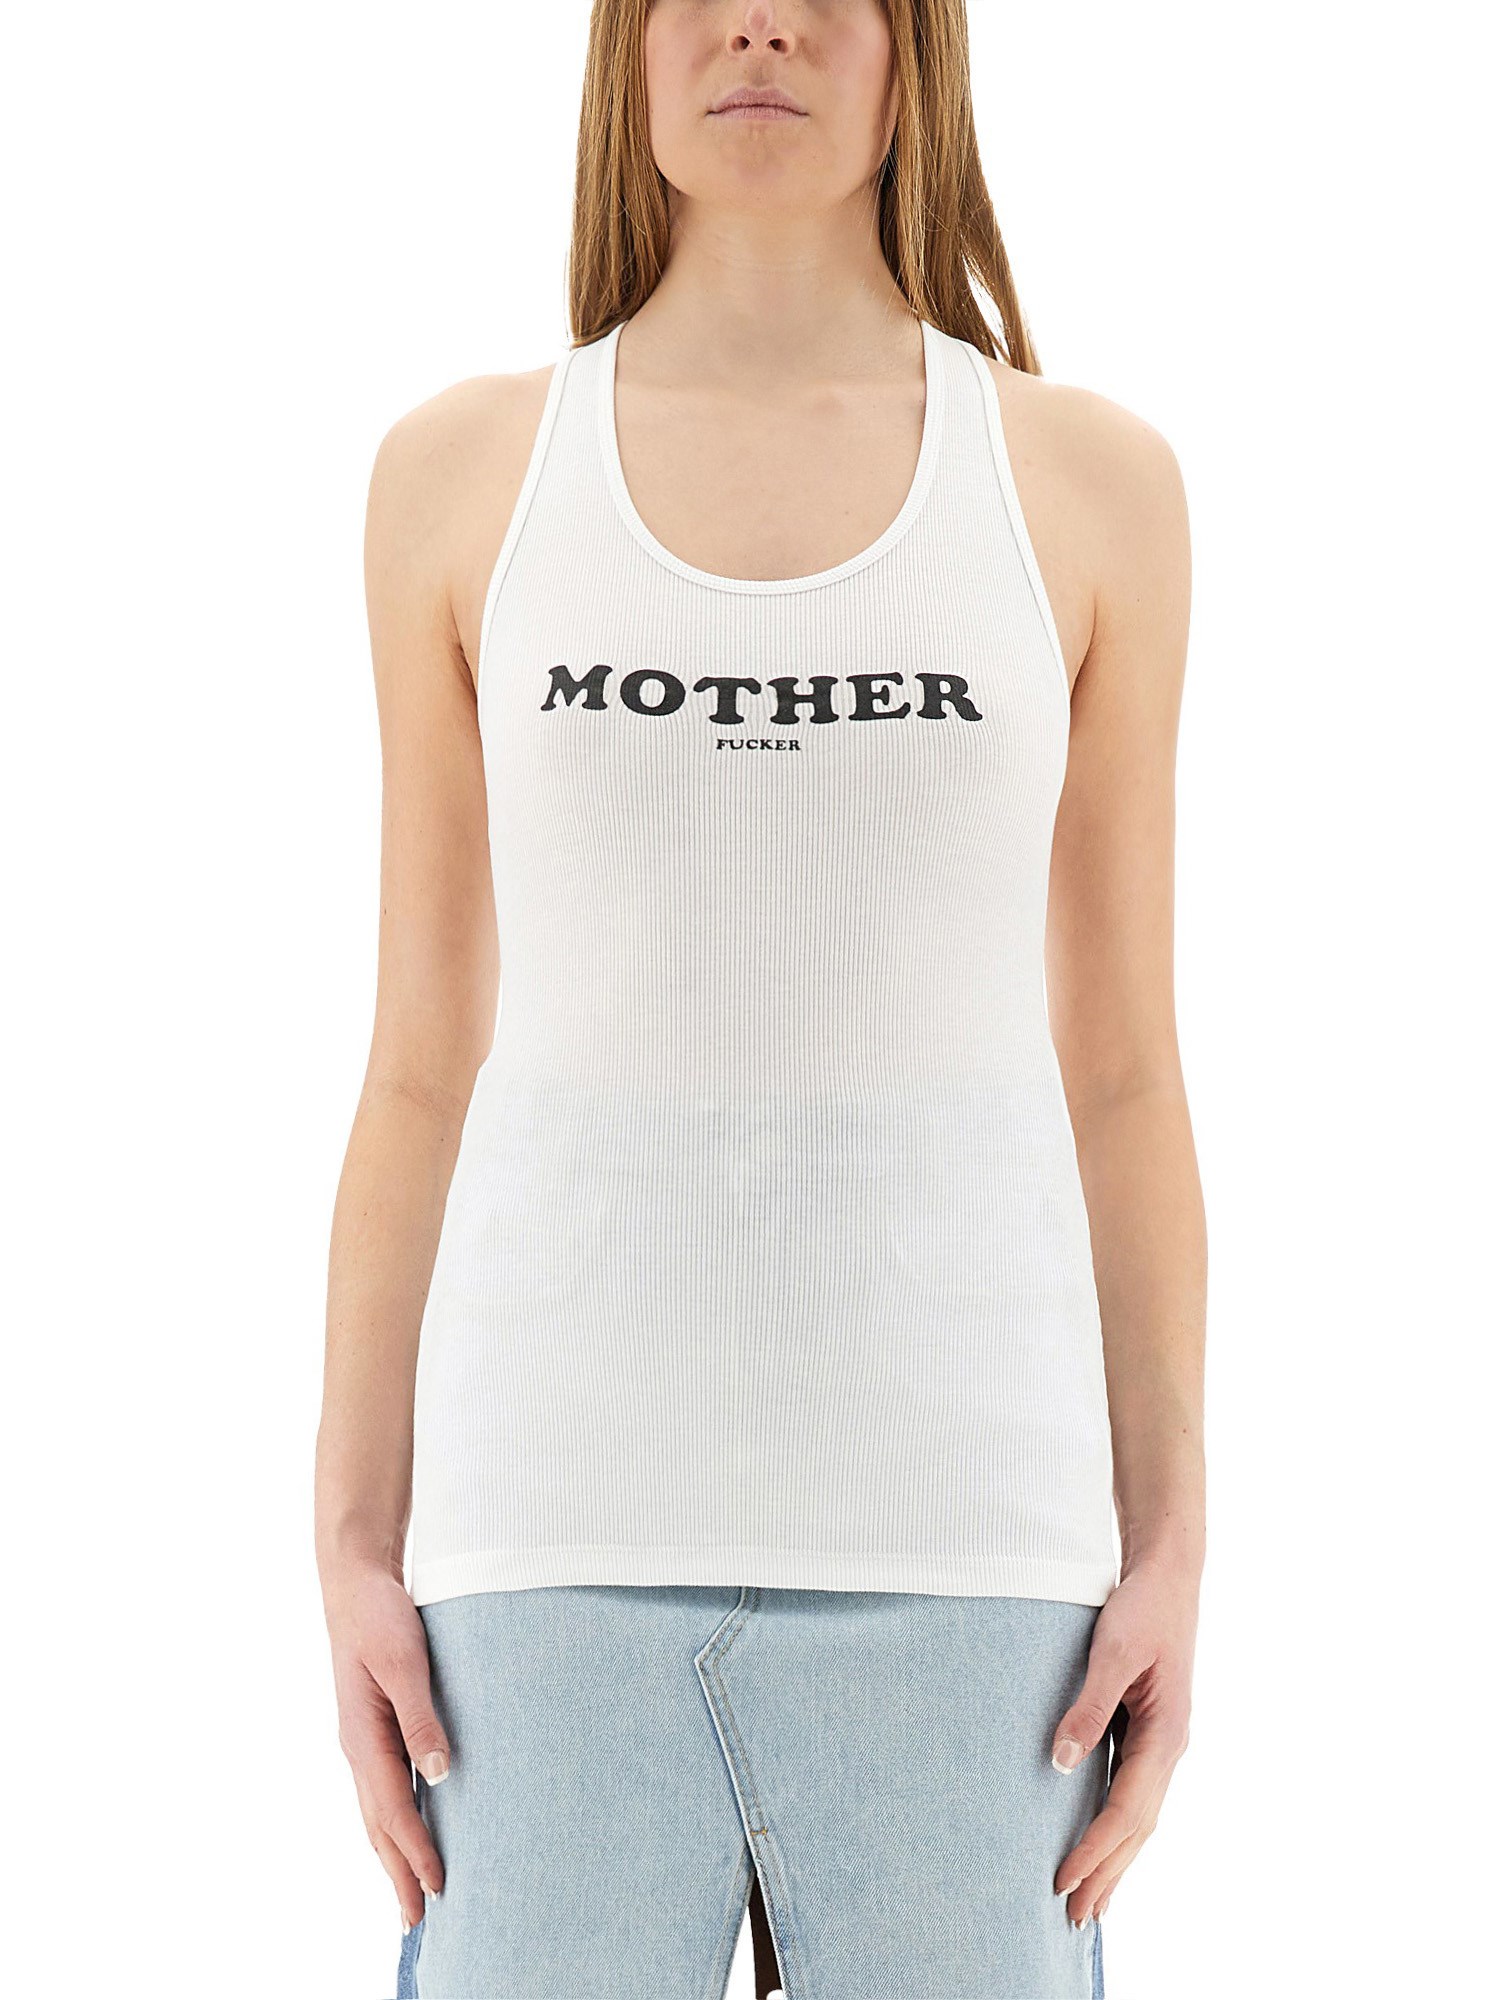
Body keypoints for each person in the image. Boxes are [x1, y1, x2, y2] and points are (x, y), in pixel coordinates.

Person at [313, 3, 1205, 1995]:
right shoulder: (461, 477)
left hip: (976, 1565)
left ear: (914, 48)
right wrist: (355, 1539)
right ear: (629, 45)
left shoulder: (1087, 486)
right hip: (541, 1556)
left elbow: (1126, 1073)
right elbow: (419, 1062)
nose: (763, 23)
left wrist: (1170, 1538)